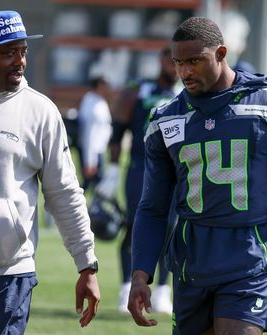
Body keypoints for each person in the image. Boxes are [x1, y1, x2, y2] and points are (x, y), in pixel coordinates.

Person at [128, 16, 267, 335]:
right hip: (192, 262)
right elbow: (152, 208)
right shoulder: (165, 120)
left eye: (194, 61)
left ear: (221, 53)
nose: (185, 71)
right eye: (179, 63)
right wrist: (139, 275)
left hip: (249, 258)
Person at [0, 10, 100, 334]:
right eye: (8, 53)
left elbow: (64, 192)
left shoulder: (41, 111)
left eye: (23, 51)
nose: (20, 61)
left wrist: (86, 264)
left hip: (6, 282)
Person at [96, 46, 182, 314]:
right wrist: (111, 168)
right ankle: (126, 288)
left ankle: (163, 292)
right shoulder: (139, 89)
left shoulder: (186, 92)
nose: (174, 65)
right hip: (141, 168)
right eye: (170, 59)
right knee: (135, 227)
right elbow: (117, 131)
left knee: (171, 229)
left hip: (175, 170)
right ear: (161, 59)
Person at [78, 76, 112, 191]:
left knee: (93, 185)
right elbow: (89, 133)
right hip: (92, 151)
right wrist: (90, 161)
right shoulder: (91, 104)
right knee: (94, 184)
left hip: (99, 149)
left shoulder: (99, 101)